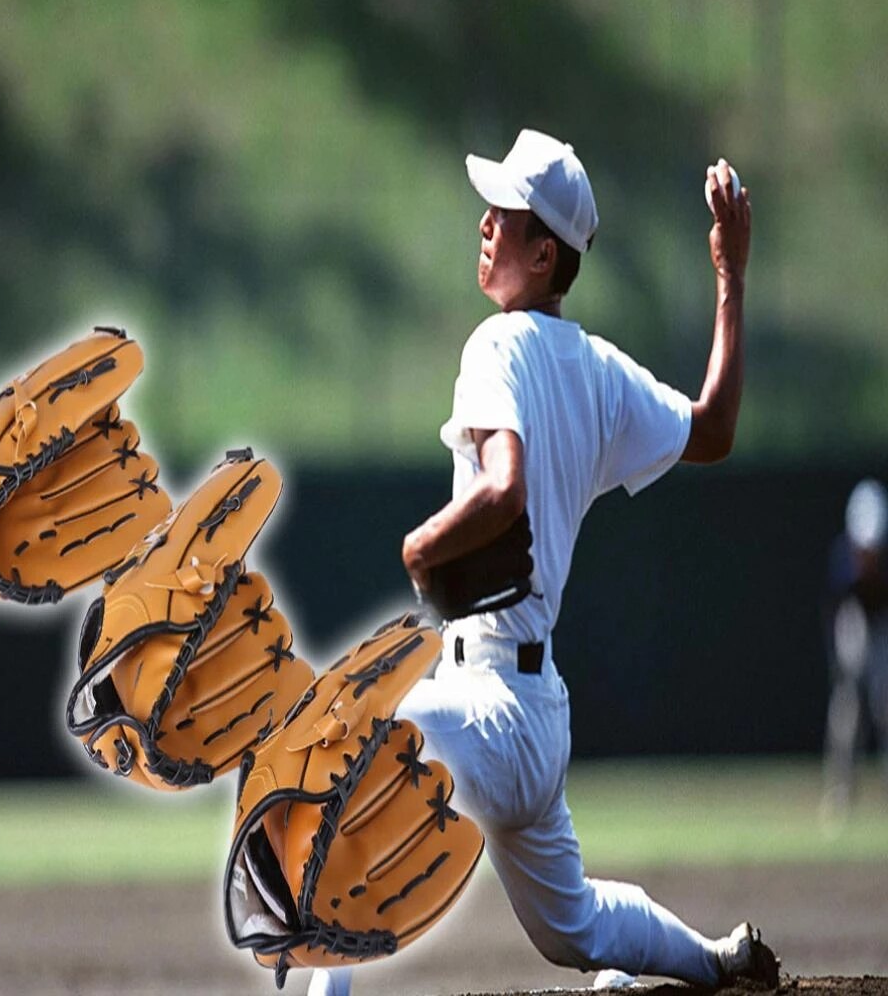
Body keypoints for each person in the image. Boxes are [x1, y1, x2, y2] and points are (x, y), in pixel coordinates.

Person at [308, 129, 776, 996]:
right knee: (579, 930)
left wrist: (420, 545)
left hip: (484, 710)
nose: (485, 224)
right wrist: (730, 278)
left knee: (350, 756)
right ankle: (720, 961)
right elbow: (714, 429)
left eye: (507, 215)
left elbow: (506, 487)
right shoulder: (596, 369)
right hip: (534, 716)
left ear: (543, 249)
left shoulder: (496, 346)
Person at [821, 477, 888, 820]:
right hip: (857, 623)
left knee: (884, 703)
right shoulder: (843, 559)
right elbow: (839, 614)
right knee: (847, 711)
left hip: (883, 625)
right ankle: (841, 795)